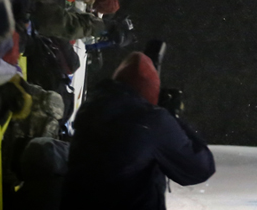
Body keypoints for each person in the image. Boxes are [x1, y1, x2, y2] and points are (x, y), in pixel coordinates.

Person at [61, 51, 215, 210]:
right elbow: (200, 168)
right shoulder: (151, 120)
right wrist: (172, 116)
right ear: (149, 91)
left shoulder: (92, 109)